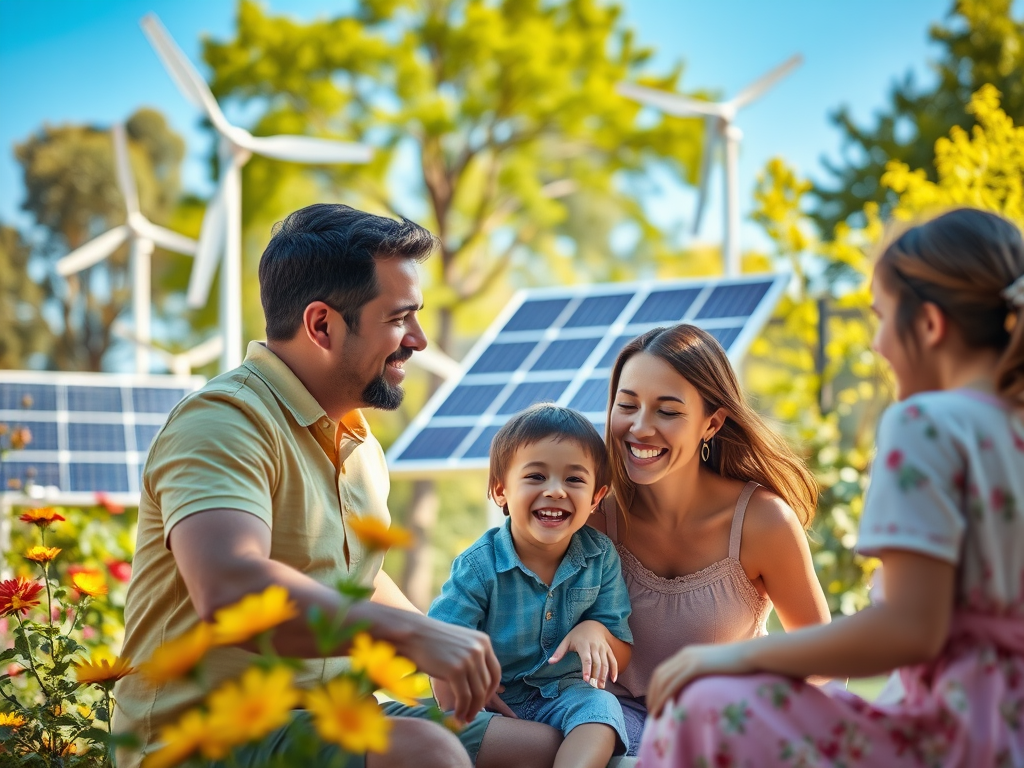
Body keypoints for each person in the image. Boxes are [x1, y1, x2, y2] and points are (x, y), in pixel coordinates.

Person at [113, 204, 562, 768]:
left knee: (542, 748)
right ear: (321, 324)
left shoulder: (359, 442)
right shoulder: (223, 421)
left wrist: (452, 650)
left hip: (335, 714)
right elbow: (230, 586)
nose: (419, 340)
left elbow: (354, 582)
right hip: (204, 739)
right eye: (399, 318)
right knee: (424, 752)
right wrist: (412, 639)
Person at [637, 207, 1024, 767]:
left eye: (882, 318)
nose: (877, 344)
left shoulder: (927, 424)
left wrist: (730, 661)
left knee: (705, 706)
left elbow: (909, 628)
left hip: (952, 737)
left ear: (931, 325)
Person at [589, 323, 832, 754]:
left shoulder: (763, 522)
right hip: (605, 728)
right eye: (626, 405)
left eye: (668, 411)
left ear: (712, 423)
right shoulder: (593, 512)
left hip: (721, 736)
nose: (639, 428)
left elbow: (823, 663)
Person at [429, 404, 634, 767]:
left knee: (602, 708)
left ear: (596, 498)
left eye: (574, 480)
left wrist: (596, 631)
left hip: (564, 697)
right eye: (536, 477)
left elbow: (620, 649)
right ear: (500, 490)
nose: (555, 491)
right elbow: (441, 643)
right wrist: (459, 702)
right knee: (441, 731)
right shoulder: (480, 565)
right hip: (489, 701)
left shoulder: (599, 557)